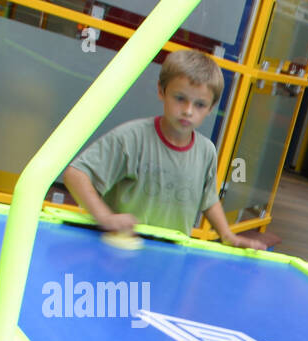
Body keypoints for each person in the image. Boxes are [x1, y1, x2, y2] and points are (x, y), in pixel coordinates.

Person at [62, 50, 264, 249]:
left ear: (211, 108)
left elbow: (208, 200)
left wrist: (228, 235)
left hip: (170, 257)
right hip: (121, 252)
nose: (188, 110)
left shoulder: (207, 151)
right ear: (161, 91)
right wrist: (104, 216)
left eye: (200, 104)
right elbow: (75, 174)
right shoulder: (131, 138)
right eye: (180, 98)